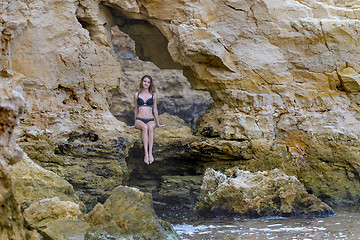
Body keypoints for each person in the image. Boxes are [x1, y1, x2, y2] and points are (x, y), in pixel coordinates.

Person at [128, 75, 165, 164]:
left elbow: (155, 110)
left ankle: (150, 153)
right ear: (141, 82)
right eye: (145, 81)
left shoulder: (153, 95)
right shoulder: (137, 95)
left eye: (148, 82)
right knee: (144, 128)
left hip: (150, 119)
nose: (146, 83)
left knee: (150, 128)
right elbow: (136, 109)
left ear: (150, 84)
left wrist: (158, 124)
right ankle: (145, 154)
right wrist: (134, 124)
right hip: (139, 120)